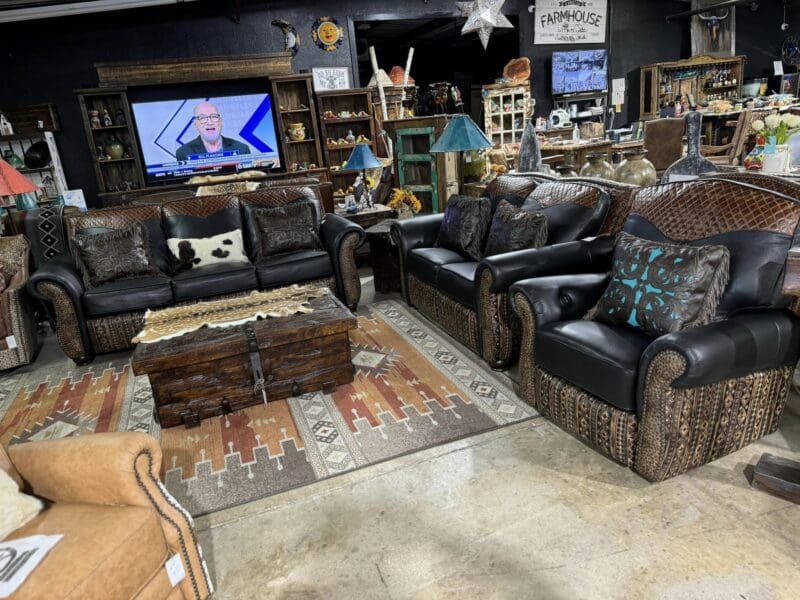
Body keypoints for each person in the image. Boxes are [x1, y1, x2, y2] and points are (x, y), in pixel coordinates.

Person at [175, 101, 251, 161]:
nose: (210, 122)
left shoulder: (242, 149)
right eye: (202, 118)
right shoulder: (183, 153)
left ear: (220, 122)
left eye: (214, 116)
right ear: (196, 124)